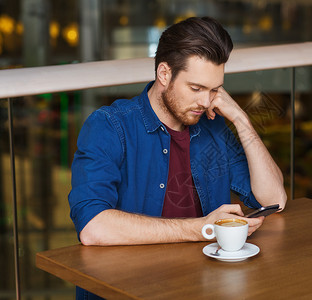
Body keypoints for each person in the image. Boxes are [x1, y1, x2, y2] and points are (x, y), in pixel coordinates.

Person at [69, 16, 287, 299]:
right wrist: (202, 228)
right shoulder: (109, 126)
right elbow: (92, 227)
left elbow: (274, 200)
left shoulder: (213, 127)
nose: (206, 102)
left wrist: (240, 117)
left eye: (215, 90)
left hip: (200, 287)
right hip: (127, 289)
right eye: (196, 89)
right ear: (164, 74)